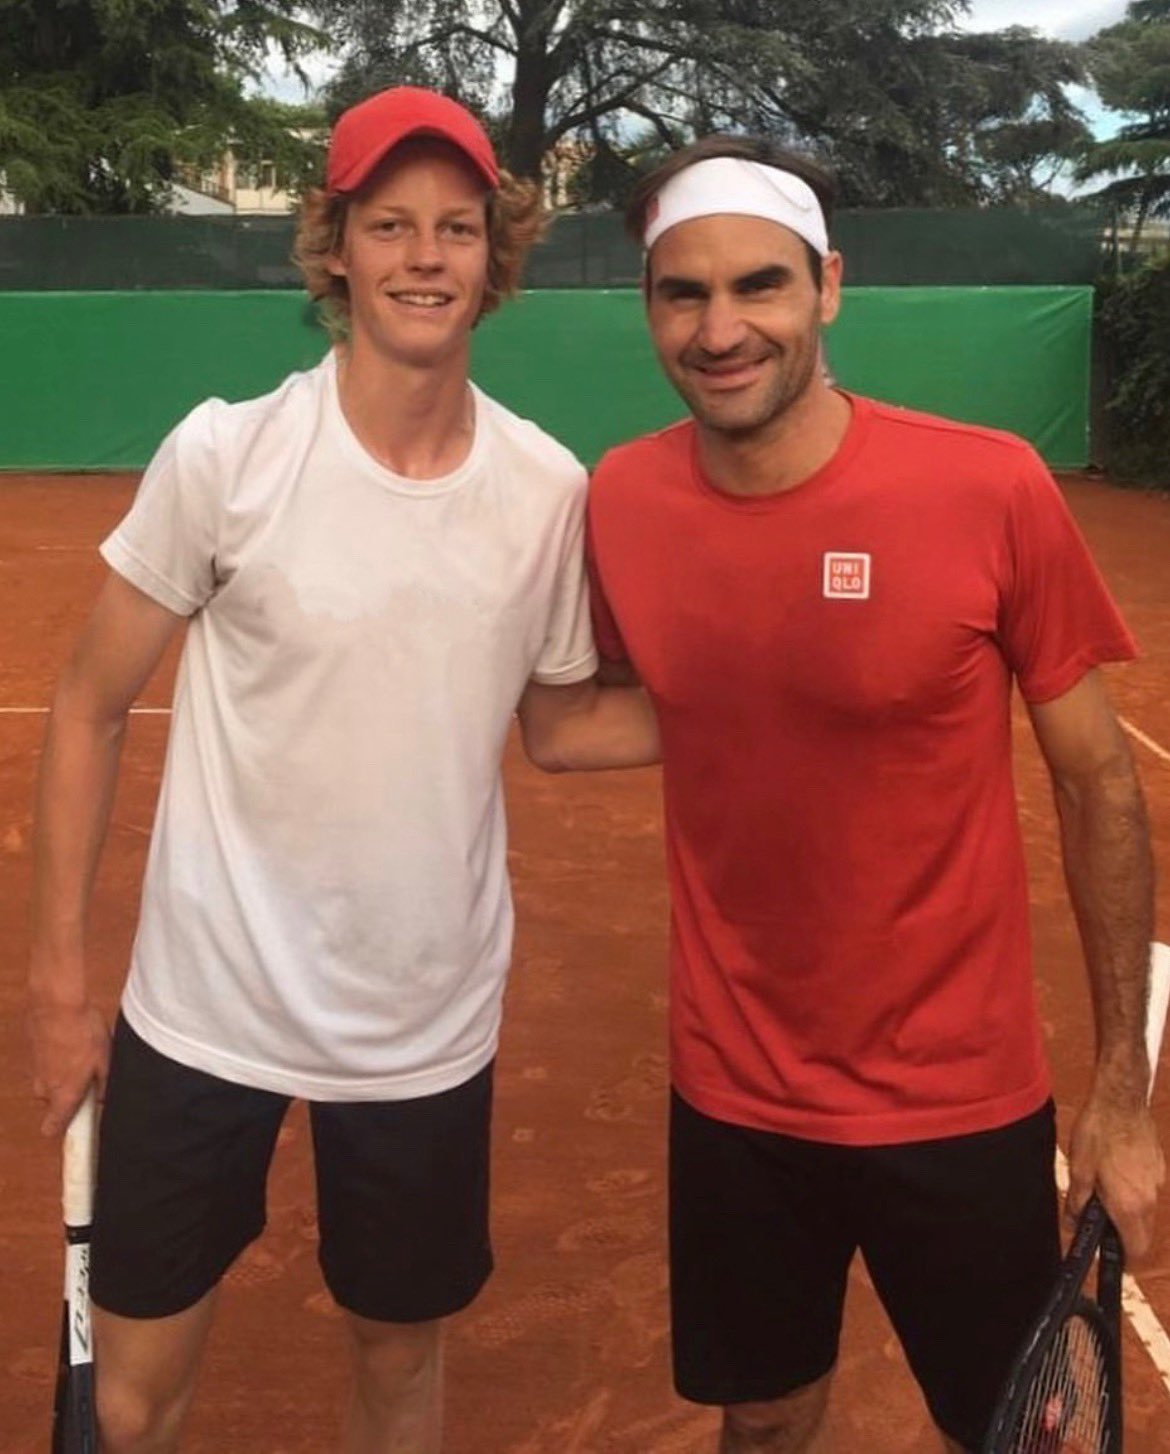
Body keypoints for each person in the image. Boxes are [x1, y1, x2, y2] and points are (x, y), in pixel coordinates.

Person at [27, 86, 657, 1454]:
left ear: (498, 256)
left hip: (421, 1028)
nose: (424, 256)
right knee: (130, 1405)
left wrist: (766, 704)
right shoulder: (228, 455)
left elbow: (561, 725)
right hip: (201, 1010)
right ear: (337, 250)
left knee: (398, 1365)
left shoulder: (547, 492)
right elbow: (85, 707)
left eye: (456, 227)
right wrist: (63, 983)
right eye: (390, 225)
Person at [586, 135, 1164, 1454]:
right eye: (683, 292)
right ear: (648, 307)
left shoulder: (988, 485)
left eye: (759, 285)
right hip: (731, 1096)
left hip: (953, 1098)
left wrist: (1120, 1086)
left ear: (827, 287)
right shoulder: (618, 498)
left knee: (1022, 1429)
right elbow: (612, 707)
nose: (721, 326)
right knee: (762, 1411)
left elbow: (1095, 784)